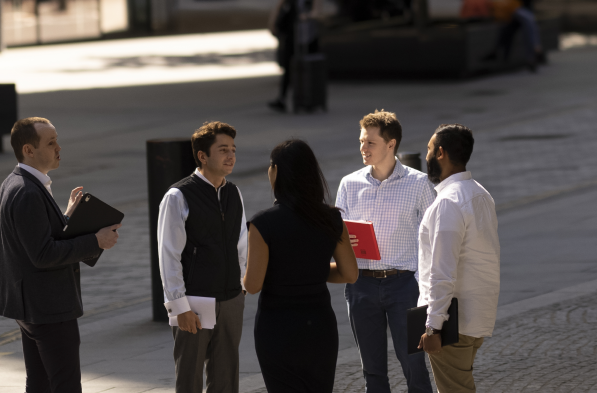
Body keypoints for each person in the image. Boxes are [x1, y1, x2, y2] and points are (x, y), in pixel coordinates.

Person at [0, 117, 121, 393]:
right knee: (64, 385)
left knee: (40, 383)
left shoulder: (16, 182)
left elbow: (35, 236)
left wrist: (66, 217)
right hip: (48, 307)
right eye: (51, 143)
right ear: (28, 150)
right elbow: (43, 253)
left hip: (32, 306)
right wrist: (95, 240)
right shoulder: (27, 192)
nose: (59, 147)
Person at [244, 139, 361, 393]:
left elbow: (252, 285)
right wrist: (313, 273)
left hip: (277, 326)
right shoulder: (330, 217)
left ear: (275, 171)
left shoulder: (262, 223)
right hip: (319, 325)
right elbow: (350, 274)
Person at [334, 111, 436, 393]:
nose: (363, 149)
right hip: (360, 284)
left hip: (404, 284)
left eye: (370, 143)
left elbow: (435, 238)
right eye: (361, 141)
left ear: (391, 145)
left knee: (414, 364)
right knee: (372, 370)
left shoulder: (419, 184)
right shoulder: (349, 184)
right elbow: (339, 234)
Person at [157, 122, 249, 393]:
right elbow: (168, 254)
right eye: (223, 150)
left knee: (226, 378)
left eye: (232, 149)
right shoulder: (178, 196)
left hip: (231, 298)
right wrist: (179, 305)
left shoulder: (233, 192)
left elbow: (241, 244)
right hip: (194, 301)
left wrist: (241, 286)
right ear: (202, 156)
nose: (230, 155)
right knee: (190, 376)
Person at [414, 124, 499, 393]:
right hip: (477, 316)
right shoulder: (481, 194)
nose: (426, 155)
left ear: (440, 153)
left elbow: (442, 270)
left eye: (429, 149)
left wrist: (433, 327)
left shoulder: (448, 202)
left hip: (453, 321)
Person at [269, 0, 325, 112]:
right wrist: (273, 23)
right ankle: (283, 98)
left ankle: (311, 99)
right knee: (289, 66)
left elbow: (318, 13)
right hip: (292, 36)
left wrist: (308, 16)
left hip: (309, 38)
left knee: (310, 69)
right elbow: (279, 8)